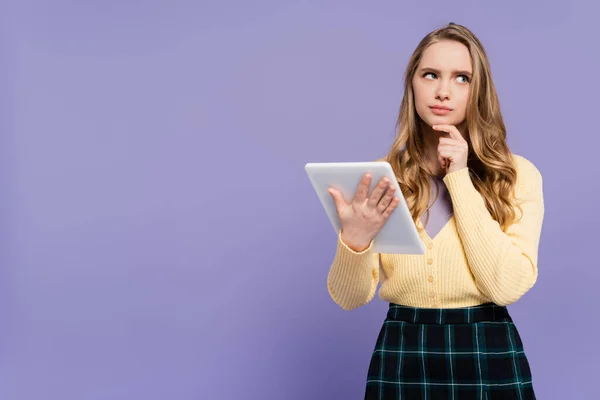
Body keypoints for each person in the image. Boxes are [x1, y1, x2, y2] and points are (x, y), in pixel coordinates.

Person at [326, 23, 544, 399]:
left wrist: (458, 177)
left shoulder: (516, 175)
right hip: (404, 348)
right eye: (431, 75)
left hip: (486, 348)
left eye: (461, 78)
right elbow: (348, 298)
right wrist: (355, 240)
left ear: (479, 90)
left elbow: (506, 287)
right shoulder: (381, 178)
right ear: (412, 83)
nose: (443, 91)